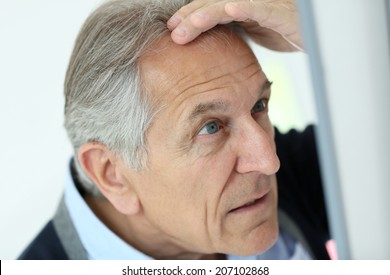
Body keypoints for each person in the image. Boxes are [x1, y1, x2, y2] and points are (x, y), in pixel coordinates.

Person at [19, 0, 329, 260]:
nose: (268, 160)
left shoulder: (291, 173)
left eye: (259, 106)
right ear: (112, 174)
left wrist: (325, 37)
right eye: (210, 127)